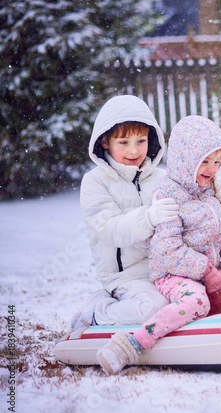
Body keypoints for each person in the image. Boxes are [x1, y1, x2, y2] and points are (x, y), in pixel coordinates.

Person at [96, 115, 221, 374]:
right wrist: (207, 271)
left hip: (210, 274)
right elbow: (166, 250)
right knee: (196, 302)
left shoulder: (212, 194)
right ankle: (131, 344)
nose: (212, 168)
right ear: (187, 161)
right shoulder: (168, 196)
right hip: (174, 275)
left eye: (218, 162)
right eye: (205, 162)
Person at [70, 95, 180, 330]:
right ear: (105, 142)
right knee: (153, 308)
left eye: (141, 141)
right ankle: (98, 313)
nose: (134, 150)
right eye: (124, 142)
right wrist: (148, 217)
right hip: (127, 277)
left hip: (167, 269)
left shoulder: (162, 178)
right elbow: (109, 229)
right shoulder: (96, 182)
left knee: (193, 298)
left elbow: (187, 204)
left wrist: (212, 191)